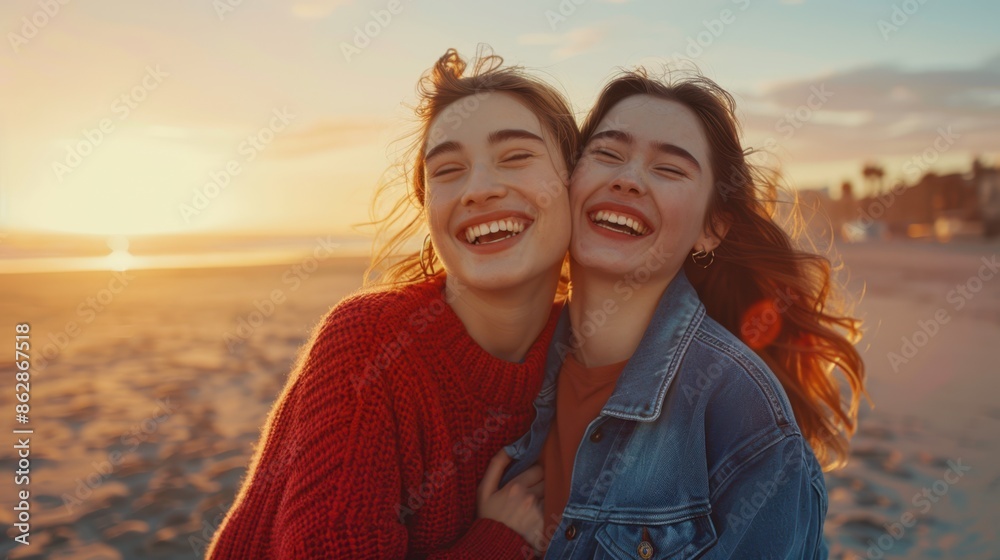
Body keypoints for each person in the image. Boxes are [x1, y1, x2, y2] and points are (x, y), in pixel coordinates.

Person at [207, 47, 579, 558]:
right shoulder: (370, 343)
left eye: (516, 156)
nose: (478, 189)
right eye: (448, 170)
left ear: (576, 184)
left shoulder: (589, 351)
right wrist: (499, 541)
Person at [498, 70, 867, 558]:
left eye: (669, 169)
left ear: (711, 228)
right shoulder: (506, 355)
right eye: (607, 154)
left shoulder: (744, 414)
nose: (628, 179)